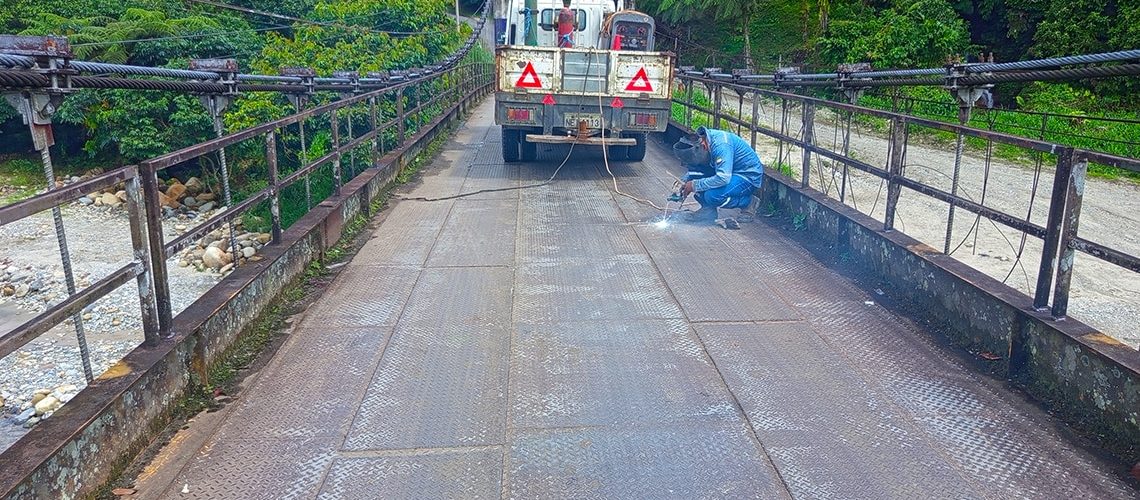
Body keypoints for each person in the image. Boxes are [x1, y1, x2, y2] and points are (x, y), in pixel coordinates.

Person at [672, 126, 764, 226]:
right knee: (699, 181)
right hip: (728, 171)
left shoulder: (721, 146)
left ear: (702, 146)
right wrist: (684, 181)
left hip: (746, 175)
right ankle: (708, 211)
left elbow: (723, 178)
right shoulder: (706, 142)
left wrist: (694, 185)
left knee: (712, 196)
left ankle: (748, 202)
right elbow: (697, 171)